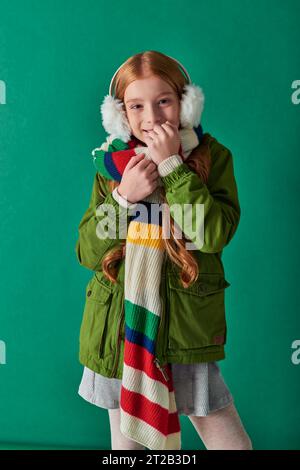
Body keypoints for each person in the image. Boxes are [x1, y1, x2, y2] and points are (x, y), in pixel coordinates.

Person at [75, 50, 252, 450]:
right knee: (129, 448)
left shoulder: (213, 157)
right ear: (121, 114)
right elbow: (88, 251)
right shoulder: (112, 167)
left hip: (184, 327)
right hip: (124, 328)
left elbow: (211, 234)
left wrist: (173, 167)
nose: (152, 117)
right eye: (137, 106)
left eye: (164, 102)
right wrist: (122, 198)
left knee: (229, 440)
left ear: (186, 103)